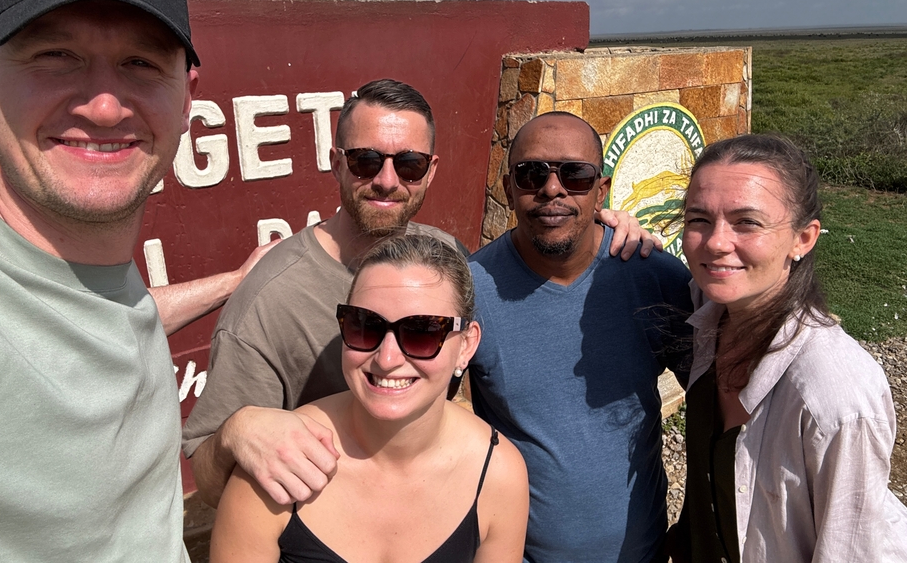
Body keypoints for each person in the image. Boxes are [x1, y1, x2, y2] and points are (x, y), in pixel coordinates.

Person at [182, 82, 655, 508]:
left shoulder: (445, 259)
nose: (387, 180)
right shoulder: (272, 297)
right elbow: (207, 475)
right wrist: (235, 432)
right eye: (365, 161)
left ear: (429, 172)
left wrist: (605, 224)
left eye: (407, 164)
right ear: (335, 163)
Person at [0, 0, 197, 561]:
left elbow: (92, 319)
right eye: (56, 57)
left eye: (141, 63)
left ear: (187, 97)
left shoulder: (92, 270)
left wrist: (237, 280)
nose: (105, 106)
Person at [209, 235, 529, 562]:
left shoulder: (497, 475)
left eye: (422, 332)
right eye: (365, 325)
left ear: (466, 345)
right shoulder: (278, 460)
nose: (387, 359)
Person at [468, 111, 694, 563]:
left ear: (602, 190)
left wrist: (694, 527)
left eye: (575, 174)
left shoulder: (655, 279)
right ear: (509, 187)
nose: (553, 189)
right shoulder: (471, 292)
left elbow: (717, 406)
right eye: (532, 173)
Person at [669, 134, 907, 563]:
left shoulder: (834, 396)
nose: (717, 242)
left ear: (803, 238)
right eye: (698, 219)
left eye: (747, 222)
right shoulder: (713, 312)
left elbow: (850, 550)